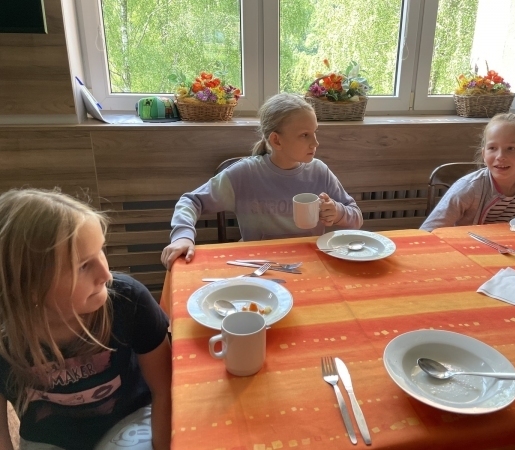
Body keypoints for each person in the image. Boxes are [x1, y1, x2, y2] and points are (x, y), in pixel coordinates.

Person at [0, 188, 171, 450]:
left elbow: (165, 389)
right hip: (48, 438)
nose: (106, 274)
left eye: (101, 251)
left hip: (128, 420)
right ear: (28, 286)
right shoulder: (5, 338)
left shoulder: (129, 301)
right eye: (83, 266)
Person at [161, 92, 363, 270]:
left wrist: (338, 213)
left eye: (315, 132)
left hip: (310, 266)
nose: (315, 142)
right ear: (276, 140)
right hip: (258, 267)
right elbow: (191, 201)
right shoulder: (244, 174)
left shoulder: (319, 172)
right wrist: (183, 237)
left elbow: (356, 217)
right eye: (304, 135)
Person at [420, 113, 515, 232]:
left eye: (511, 148)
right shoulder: (468, 188)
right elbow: (428, 231)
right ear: (484, 154)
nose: (500, 156)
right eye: (492, 148)